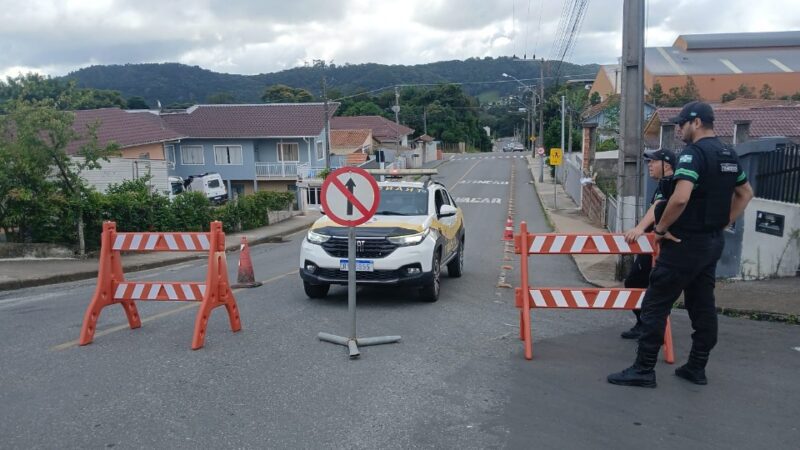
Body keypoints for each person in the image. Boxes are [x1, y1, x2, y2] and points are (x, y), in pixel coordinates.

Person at [608, 101, 754, 388]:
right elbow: (745, 193)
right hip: (712, 243)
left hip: (684, 243)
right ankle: (696, 367)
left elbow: (680, 197)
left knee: (655, 303)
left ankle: (643, 369)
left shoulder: (693, 155)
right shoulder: (728, 154)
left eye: (682, 124)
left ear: (696, 122)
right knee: (702, 306)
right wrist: (723, 223)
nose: (678, 129)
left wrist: (661, 229)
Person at [619, 148, 676, 340]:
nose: (649, 165)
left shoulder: (670, 184)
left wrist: (639, 228)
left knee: (635, 282)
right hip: (656, 244)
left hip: (658, 245)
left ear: (666, 165)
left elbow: (658, 206)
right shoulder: (665, 184)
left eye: (653, 161)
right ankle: (647, 326)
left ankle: (649, 328)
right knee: (645, 285)